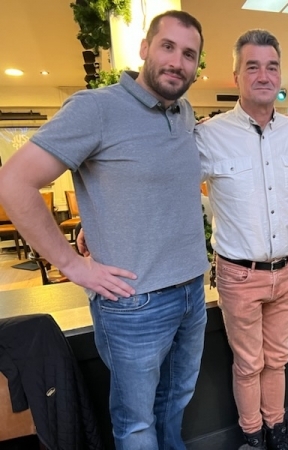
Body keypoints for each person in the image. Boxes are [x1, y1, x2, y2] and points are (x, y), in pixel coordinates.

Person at [0, 11, 209, 450]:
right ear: (145, 48)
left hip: (192, 291)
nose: (177, 62)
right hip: (135, 302)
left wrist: (97, 224)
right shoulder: (95, 108)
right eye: (167, 47)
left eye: (189, 54)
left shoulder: (184, 111)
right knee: (137, 425)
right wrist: (71, 265)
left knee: (175, 405)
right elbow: (14, 182)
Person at [195, 29, 288, 450]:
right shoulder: (209, 134)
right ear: (236, 75)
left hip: (287, 271)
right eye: (253, 66)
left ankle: (277, 429)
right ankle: (253, 435)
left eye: (272, 66)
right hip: (239, 276)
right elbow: (173, 194)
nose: (264, 75)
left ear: (280, 74)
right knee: (248, 364)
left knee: (278, 360)